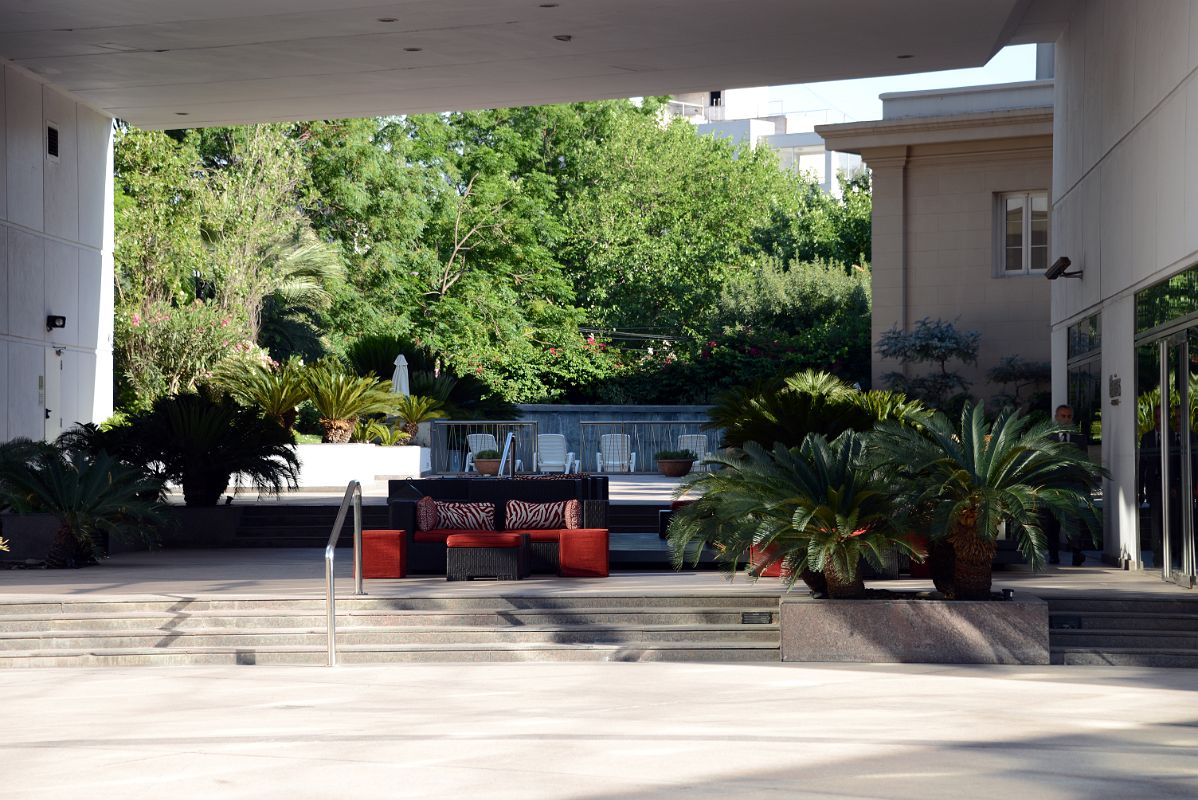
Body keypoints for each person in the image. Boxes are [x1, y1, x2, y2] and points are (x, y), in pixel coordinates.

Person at [1045, 404, 1089, 565]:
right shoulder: (1048, 439)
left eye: (1069, 416)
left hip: (1073, 487)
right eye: (1063, 416)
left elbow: (1085, 463)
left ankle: (1077, 552)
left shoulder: (1079, 439)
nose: (1066, 419)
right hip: (1053, 487)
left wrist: (1085, 487)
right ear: (1056, 418)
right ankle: (1053, 554)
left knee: (1074, 521)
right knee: (1052, 523)